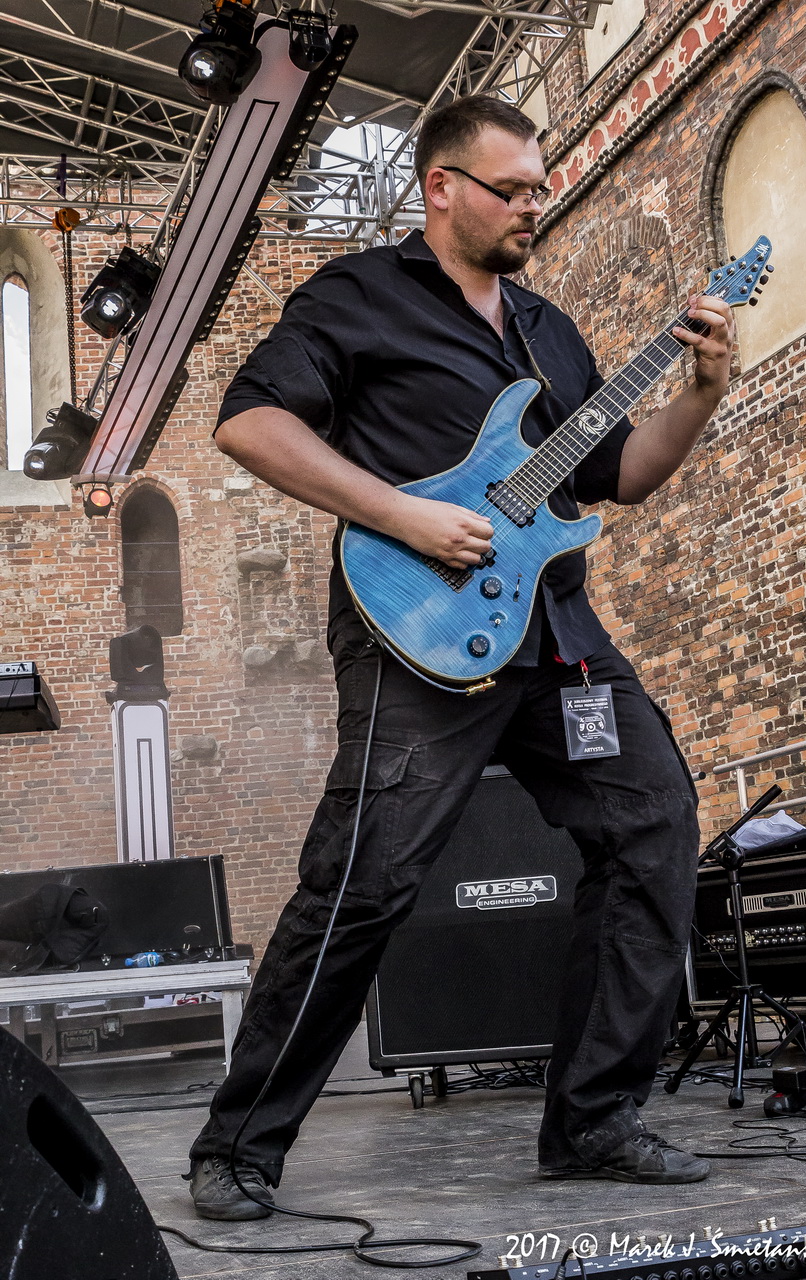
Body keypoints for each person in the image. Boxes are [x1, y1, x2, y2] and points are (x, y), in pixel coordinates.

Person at [187, 95, 734, 1219]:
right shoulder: (358, 297)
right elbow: (249, 422)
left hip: (555, 636)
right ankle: (237, 1145)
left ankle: (593, 1120)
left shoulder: (547, 332)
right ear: (441, 188)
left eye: (540, 188)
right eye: (512, 188)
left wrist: (702, 390)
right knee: (363, 885)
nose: (535, 205)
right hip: (417, 633)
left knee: (653, 823)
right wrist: (402, 513)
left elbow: (620, 477)